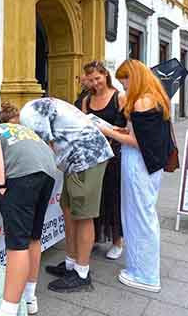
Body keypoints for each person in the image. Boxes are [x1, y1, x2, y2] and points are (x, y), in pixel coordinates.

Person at [20, 98, 114, 292]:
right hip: (74, 159)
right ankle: (71, 263)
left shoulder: (30, 116)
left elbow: (47, 147)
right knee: (69, 209)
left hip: (86, 157)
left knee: (83, 215)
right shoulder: (32, 109)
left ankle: (81, 273)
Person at [97, 59, 174, 293]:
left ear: (135, 78)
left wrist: (107, 130)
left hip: (139, 165)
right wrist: (121, 129)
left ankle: (146, 275)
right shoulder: (155, 97)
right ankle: (141, 269)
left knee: (139, 217)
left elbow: (138, 142)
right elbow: (141, 134)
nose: (124, 88)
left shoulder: (142, 101)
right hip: (148, 166)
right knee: (142, 215)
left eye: (125, 82)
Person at [0, 114, 57, 316]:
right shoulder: (14, 129)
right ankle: (30, 299)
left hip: (23, 177)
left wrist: (0, 183)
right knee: (34, 238)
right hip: (47, 172)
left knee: (17, 245)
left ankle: (7, 311)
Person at [82, 61, 126, 260]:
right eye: (90, 80)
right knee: (95, 197)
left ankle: (117, 241)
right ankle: (95, 237)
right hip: (94, 154)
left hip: (114, 153)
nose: (95, 83)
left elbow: (126, 127)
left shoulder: (119, 97)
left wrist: (108, 132)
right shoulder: (87, 99)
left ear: (105, 76)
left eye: (98, 78)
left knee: (113, 196)